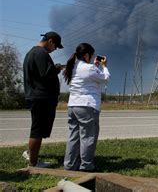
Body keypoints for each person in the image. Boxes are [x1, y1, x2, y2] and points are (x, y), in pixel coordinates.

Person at [63, 43, 110, 171]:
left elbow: (89, 75)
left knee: (74, 136)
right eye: (92, 55)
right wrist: (104, 66)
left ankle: (70, 164)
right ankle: (86, 165)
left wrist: (95, 65)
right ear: (87, 55)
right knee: (88, 137)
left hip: (73, 105)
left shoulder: (73, 66)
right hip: (87, 106)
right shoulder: (89, 69)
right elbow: (105, 78)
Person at [22, 31, 64, 167]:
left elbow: (42, 73)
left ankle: (30, 153)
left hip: (36, 96)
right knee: (37, 131)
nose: (55, 49)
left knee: (37, 129)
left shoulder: (31, 53)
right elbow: (46, 74)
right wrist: (56, 69)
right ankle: (33, 163)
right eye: (56, 46)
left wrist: (54, 68)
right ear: (50, 41)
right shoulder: (41, 54)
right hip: (41, 98)